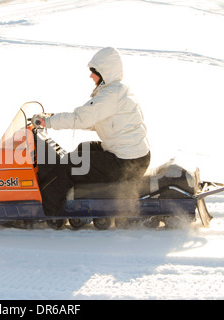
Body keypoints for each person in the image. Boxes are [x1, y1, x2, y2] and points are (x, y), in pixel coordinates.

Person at [32, 47, 150, 216]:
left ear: (105, 72)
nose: (91, 76)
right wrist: (51, 118)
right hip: (135, 157)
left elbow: (80, 118)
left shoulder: (109, 96)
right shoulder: (118, 90)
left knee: (71, 164)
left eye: (94, 72)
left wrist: (48, 121)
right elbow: (94, 121)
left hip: (126, 163)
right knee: (83, 150)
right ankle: (75, 194)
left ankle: (50, 210)